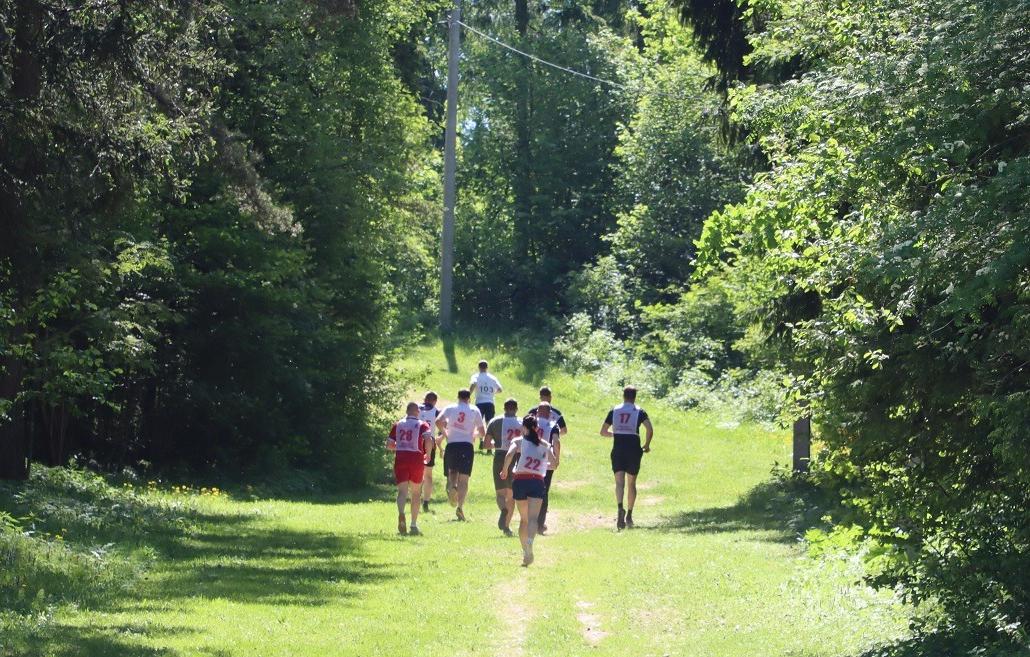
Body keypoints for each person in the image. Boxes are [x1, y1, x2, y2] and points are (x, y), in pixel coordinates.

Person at [500, 414, 556, 567]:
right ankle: (530, 542)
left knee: (523, 520)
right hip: (537, 480)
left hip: (520, 480)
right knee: (533, 519)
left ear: (524, 428)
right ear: (537, 428)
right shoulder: (544, 444)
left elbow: (510, 454)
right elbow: (554, 463)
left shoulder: (518, 440)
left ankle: (525, 551)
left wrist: (505, 470)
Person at [599, 386, 654, 530]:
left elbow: (603, 431)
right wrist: (646, 445)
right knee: (631, 483)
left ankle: (619, 507)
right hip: (633, 449)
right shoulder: (639, 411)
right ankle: (629, 515)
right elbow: (649, 428)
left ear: (623, 396)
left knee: (619, 483)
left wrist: (615, 433)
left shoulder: (614, 410)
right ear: (634, 397)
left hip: (618, 448)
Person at [436, 389, 486, 521]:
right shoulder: (474, 410)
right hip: (466, 445)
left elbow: (438, 421)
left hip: (452, 444)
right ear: (469, 398)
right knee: (464, 479)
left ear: (458, 397)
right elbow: (482, 432)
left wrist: (445, 433)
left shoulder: (450, 407)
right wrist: (474, 434)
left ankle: (452, 486)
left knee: (453, 471)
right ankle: (460, 507)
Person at [388, 402, 434, 536]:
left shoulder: (397, 424)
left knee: (402, 491)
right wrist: (428, 454)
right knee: (416, 492)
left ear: (407, 411)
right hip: (416, 458)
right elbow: (429, 440)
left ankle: (401, 513)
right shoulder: (422, 424)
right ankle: (413, 524)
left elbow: (389, 445)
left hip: (401, 457)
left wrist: (401, 446)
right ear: (417, 412)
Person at [484, 398, 521, 536]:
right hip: (517, 457)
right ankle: (507, 527)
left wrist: (497, 444)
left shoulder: (494, 421)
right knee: (511, 496)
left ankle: (503, 510)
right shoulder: (522, 422)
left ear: (504, 408)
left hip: (500, 456)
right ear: (516, 409)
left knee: (500, 493)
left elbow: (486, 444)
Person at [528, 398, 565, 534]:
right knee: (544, 492)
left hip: (530, 462)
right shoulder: (553, 424)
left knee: (530, 490)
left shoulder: (532, 423)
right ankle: (540, 524)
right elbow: (556, 442)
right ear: (549, 413)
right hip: (546, 463)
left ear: (538, 412)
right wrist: (556, 458)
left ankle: (529, 520)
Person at [469, 360, 502, 450]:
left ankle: (481, 440)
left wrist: (469, 394)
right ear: (487, 368)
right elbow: (500, 389)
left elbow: (473, 383)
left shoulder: (476, 376)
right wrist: (491, 393)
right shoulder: (492, 378)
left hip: (479, 402)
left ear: (479, 367)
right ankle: (489, 445)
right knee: (489, 423)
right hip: (490, 402)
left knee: (478, 422)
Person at [418, 391, 441, 512]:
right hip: (430, 443)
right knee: (428, 474)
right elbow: (443, 426)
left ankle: (415, 498)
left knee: (415, 472)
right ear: (435, 401)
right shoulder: (437, 411)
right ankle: (426, 501)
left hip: (416, 443)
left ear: (424, 399)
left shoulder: (416, 408)